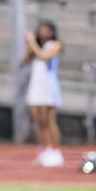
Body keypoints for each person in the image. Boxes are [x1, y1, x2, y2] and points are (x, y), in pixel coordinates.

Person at [25, 21, 64, 167]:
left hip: (48, 86)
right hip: (36, 85)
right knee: (38, 121)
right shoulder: (36, 46)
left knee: (49, 120)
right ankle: (44, 148)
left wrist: (31, 42)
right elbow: (25, 60)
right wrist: (30, 45)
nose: (43, 32)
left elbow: (43, 57)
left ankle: (55, 150)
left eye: (46, 30)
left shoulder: (55, 45)